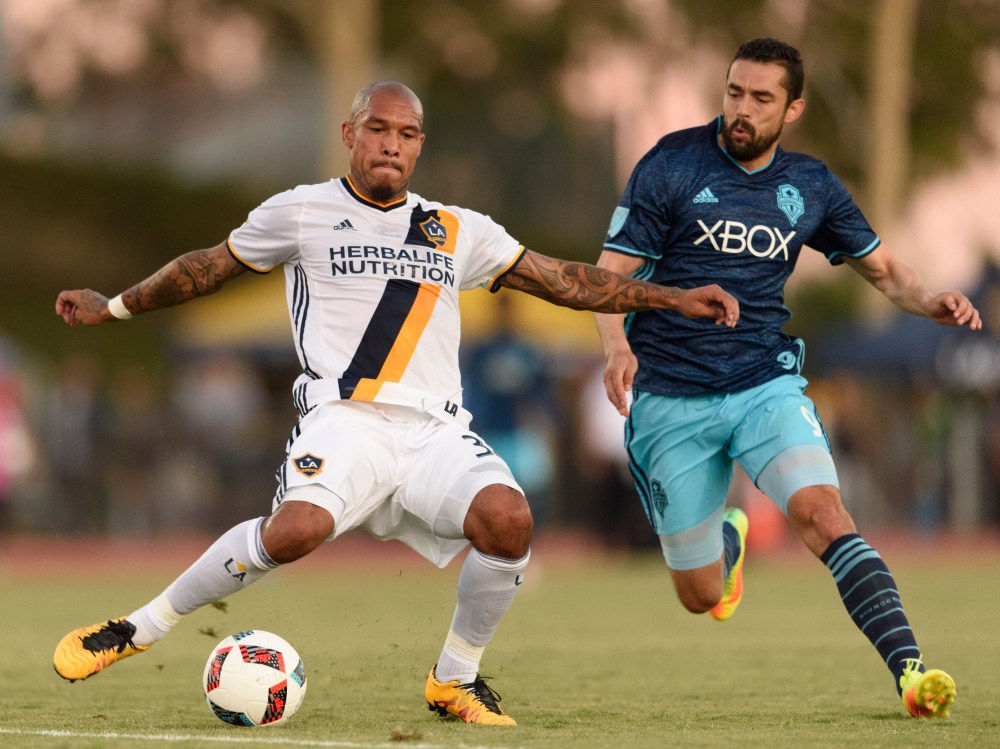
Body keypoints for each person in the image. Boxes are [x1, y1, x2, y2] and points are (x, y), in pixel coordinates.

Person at [52, 80, 739, 727]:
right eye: (377, 129)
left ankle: (454, 678)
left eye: (407, 133)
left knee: (508, 520)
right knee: (292, 533)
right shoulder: (301, 210)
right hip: (345, 417)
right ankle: (136, 628)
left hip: (435, 429)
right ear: (349, 133)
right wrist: (113, 306)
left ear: (419, 146)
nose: (391, 143)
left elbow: (563, 279)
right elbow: (205, 267)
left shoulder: (457, 227)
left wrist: (671, 296)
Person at [594, 38, 977, 719]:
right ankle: (730, 540)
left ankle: (911, 672)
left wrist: (932, 301)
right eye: (735, 92)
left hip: (763, 385)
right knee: (700, 594)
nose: (742, 109)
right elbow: (607, 277)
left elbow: (885, 270)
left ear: (793, 107)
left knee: (824, 514)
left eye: (762, 98)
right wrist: (615, 347)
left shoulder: (812, 186)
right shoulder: (672, 163)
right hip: (669, 396)